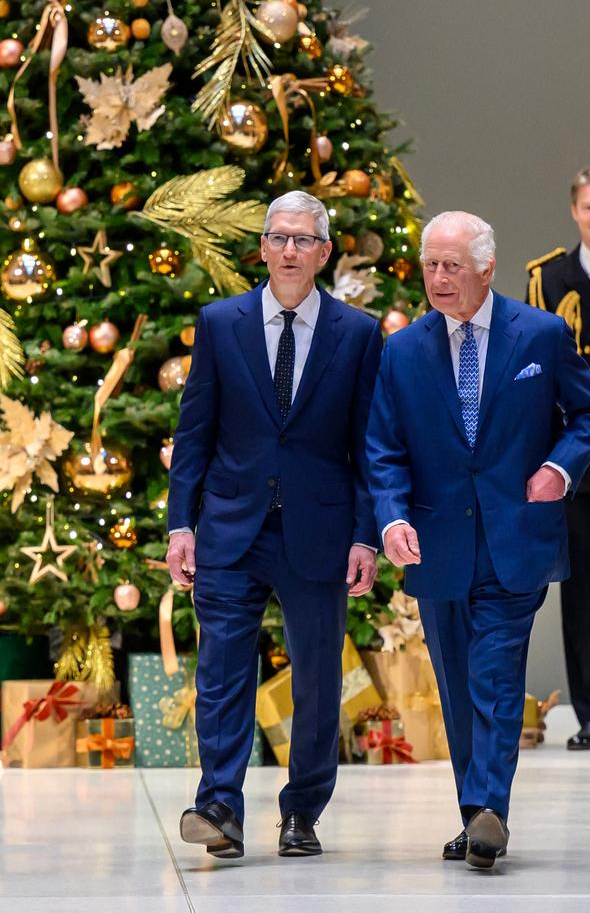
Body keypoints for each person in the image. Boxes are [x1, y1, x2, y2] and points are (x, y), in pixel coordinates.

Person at [367, 211, 590, 869]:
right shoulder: (403, 351)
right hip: (437, 542)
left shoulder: (541, 335)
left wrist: (560, 468)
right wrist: (390, 518)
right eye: (430, 266)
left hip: (515, 538)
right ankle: (475, 813)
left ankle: (489, 809)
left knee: (496, 677)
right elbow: (383, 448)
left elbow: (587, 414)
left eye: (451, 266)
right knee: (456, 681)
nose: (438, 279)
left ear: (485, 268)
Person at [166, 191, 382, 859]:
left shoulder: (357, 334)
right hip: (230, 527)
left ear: (323, 252)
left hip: (319, 531)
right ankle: (220, 805)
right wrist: (180, 525)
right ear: (261, 248)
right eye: (278, 238)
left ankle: (302, 812)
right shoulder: (221, 323)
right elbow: (195, 431)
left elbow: (371, 442)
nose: (289, 251)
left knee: (318, 678)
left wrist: (366, 534)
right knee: (223, 669)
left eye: (303, 240)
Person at [526, 164, 590, 751]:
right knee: (581, 585)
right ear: (574, 211)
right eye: (589, 207)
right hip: (582, 447)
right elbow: (547, 358)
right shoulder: (548, 276)